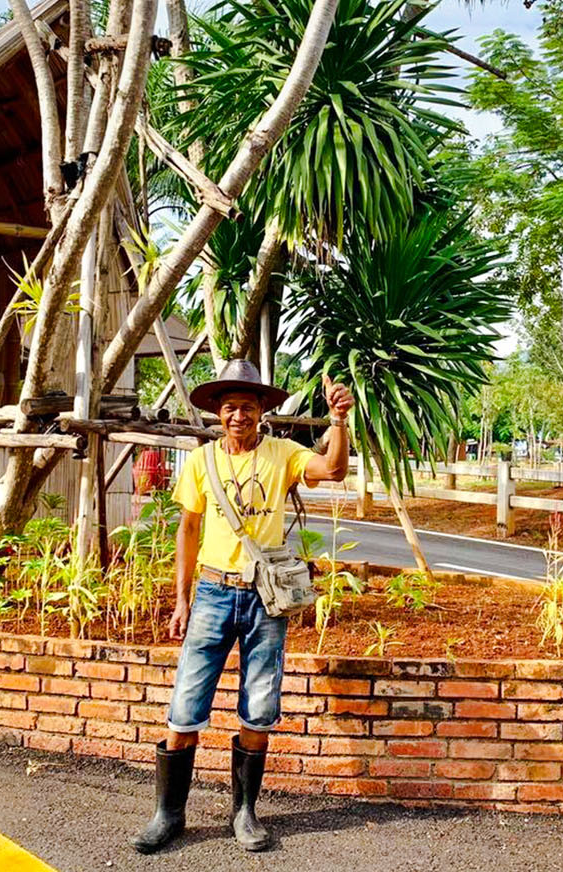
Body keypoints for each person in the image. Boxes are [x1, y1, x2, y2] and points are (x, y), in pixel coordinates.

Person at [131, 359, 353, 854]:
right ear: (218, 412)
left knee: (259, 707)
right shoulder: (201, 461)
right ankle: (169, 813)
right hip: (212, 593)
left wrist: (338, 420)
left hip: (265, 598)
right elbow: (188, 530)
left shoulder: (283, 454)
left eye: (248, 407)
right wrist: (181, 599)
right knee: (185, 707)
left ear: (261, 412)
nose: (239, 416)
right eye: (230, 407)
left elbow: (333, 469)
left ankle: (245, 812)